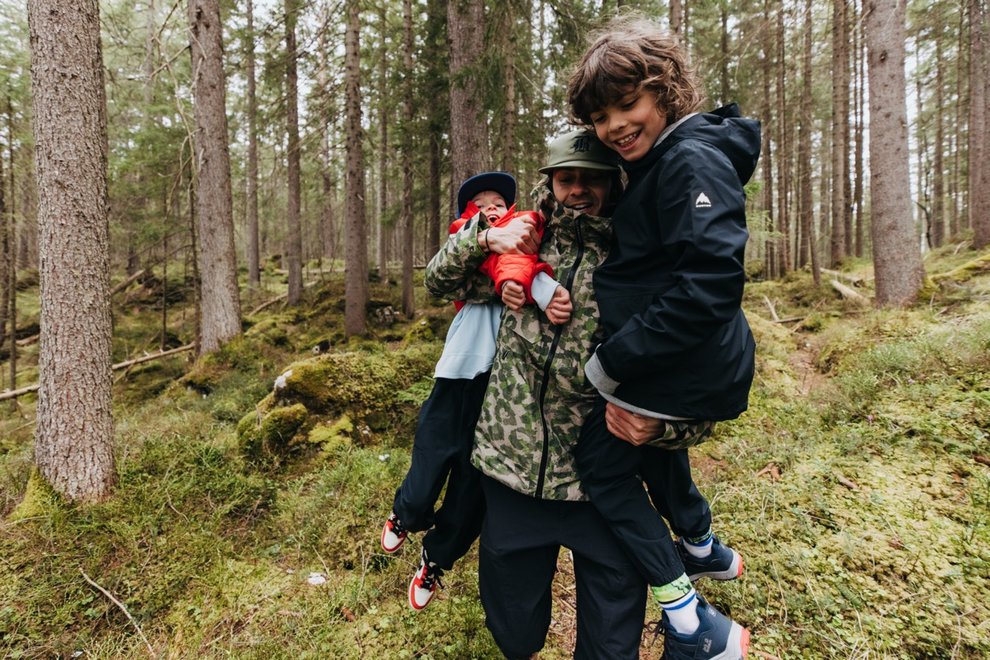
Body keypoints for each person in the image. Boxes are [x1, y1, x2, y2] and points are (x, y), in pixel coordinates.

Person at [566, 15, 760, 660]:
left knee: (601, 466)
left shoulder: (690, 160)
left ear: (665, 91)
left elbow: (708, 284)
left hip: (681, 363)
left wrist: (611, 363)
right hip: (681, 359)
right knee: (638, 448)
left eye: (628, 105)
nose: (615, 127)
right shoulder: (662, 163)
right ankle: (704, 548)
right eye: (600, 118)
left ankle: (693, 625)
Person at [427, 130, 649, 659]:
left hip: (601, 480)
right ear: (550, 182)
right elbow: (441, 282)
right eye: (567, 178)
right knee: (514, 628)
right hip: (511, 470)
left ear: (612, 183)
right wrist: (483, 239)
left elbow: (696, 361)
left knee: (613, 639)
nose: (579, 190)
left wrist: (668, 428)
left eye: (592, 178)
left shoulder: (636, 253)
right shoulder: (526, 239)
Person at [381, 171, 571, 611]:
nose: (491, 205)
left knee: (471, 486)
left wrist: (535, 284)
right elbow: (444, 277)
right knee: (432, 454)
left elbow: (526, 270)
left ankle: (436, 558)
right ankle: (405, 514)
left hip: (506, 385)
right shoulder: (464, 243)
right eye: (480, 201)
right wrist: (497, 258)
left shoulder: (530, 242)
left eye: (498, 200)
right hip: (459, 371)